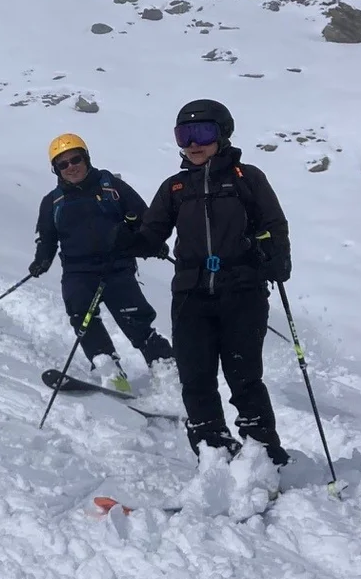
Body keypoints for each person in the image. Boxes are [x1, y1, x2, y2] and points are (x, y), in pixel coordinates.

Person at [125, 99, 292, 464]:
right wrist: (127, 240)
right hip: (191, 296)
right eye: (184, 135)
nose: (193, 144)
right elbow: (151, 234)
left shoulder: (247, 179)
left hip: (242, 291)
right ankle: (212, 449)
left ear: (222, 134)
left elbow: (274, 224)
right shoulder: (175, 188)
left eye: (202, 133)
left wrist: (278, 257)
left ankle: (263, 453)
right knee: (195, 377)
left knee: (244, 377)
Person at [30, 133, 174, 393]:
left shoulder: (112, 187)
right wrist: (42, 260)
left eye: (75, 159)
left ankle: (166, 369)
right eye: (63, 164)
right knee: (82, 318)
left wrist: (148, 243)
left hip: (117, 266)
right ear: (56, 169)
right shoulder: (53, 201)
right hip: (78, 271)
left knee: (135, 319)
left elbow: (146, 219)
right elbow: (48, 238)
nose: (71, 167)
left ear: (86, 158)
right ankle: (109, 370)